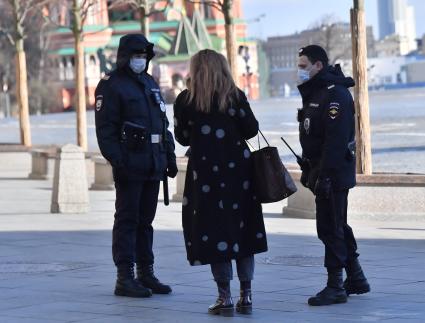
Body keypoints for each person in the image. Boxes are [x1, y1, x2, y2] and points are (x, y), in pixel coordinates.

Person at [173, 49, 268, 316]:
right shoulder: (234, 95)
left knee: (214, 231)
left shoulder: (186, 100)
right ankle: (246, 295)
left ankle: (224, 297)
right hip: (239, 172)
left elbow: (181, 136)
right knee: (243, 228)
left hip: (205, 175)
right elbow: (251, 129)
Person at [94, 34, 177, 298]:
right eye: (136, 55)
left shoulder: (150, 82)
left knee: (146, 221)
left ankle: (146, 272)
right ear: (125, 56)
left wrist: (170, 156)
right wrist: (119, 160)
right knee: (128, 220)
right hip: (130, 164)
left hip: (153, 163)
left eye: (144, 55)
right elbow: (105, 130)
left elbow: (163, 125)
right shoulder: (112, 85)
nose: (141, 60)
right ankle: (124, 277)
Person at [296, 45, 370, 306]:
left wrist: (325, 176)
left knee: (330, 227)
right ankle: (356, 277)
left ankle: (335, 285)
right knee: (337, 224)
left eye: (304, 66)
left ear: (318, 65)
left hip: (333, 172)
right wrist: (308, 166)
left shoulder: (335, 94)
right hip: (321, 170)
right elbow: (313, 134)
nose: (300, 71)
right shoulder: (316, 92)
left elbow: (335, 141)